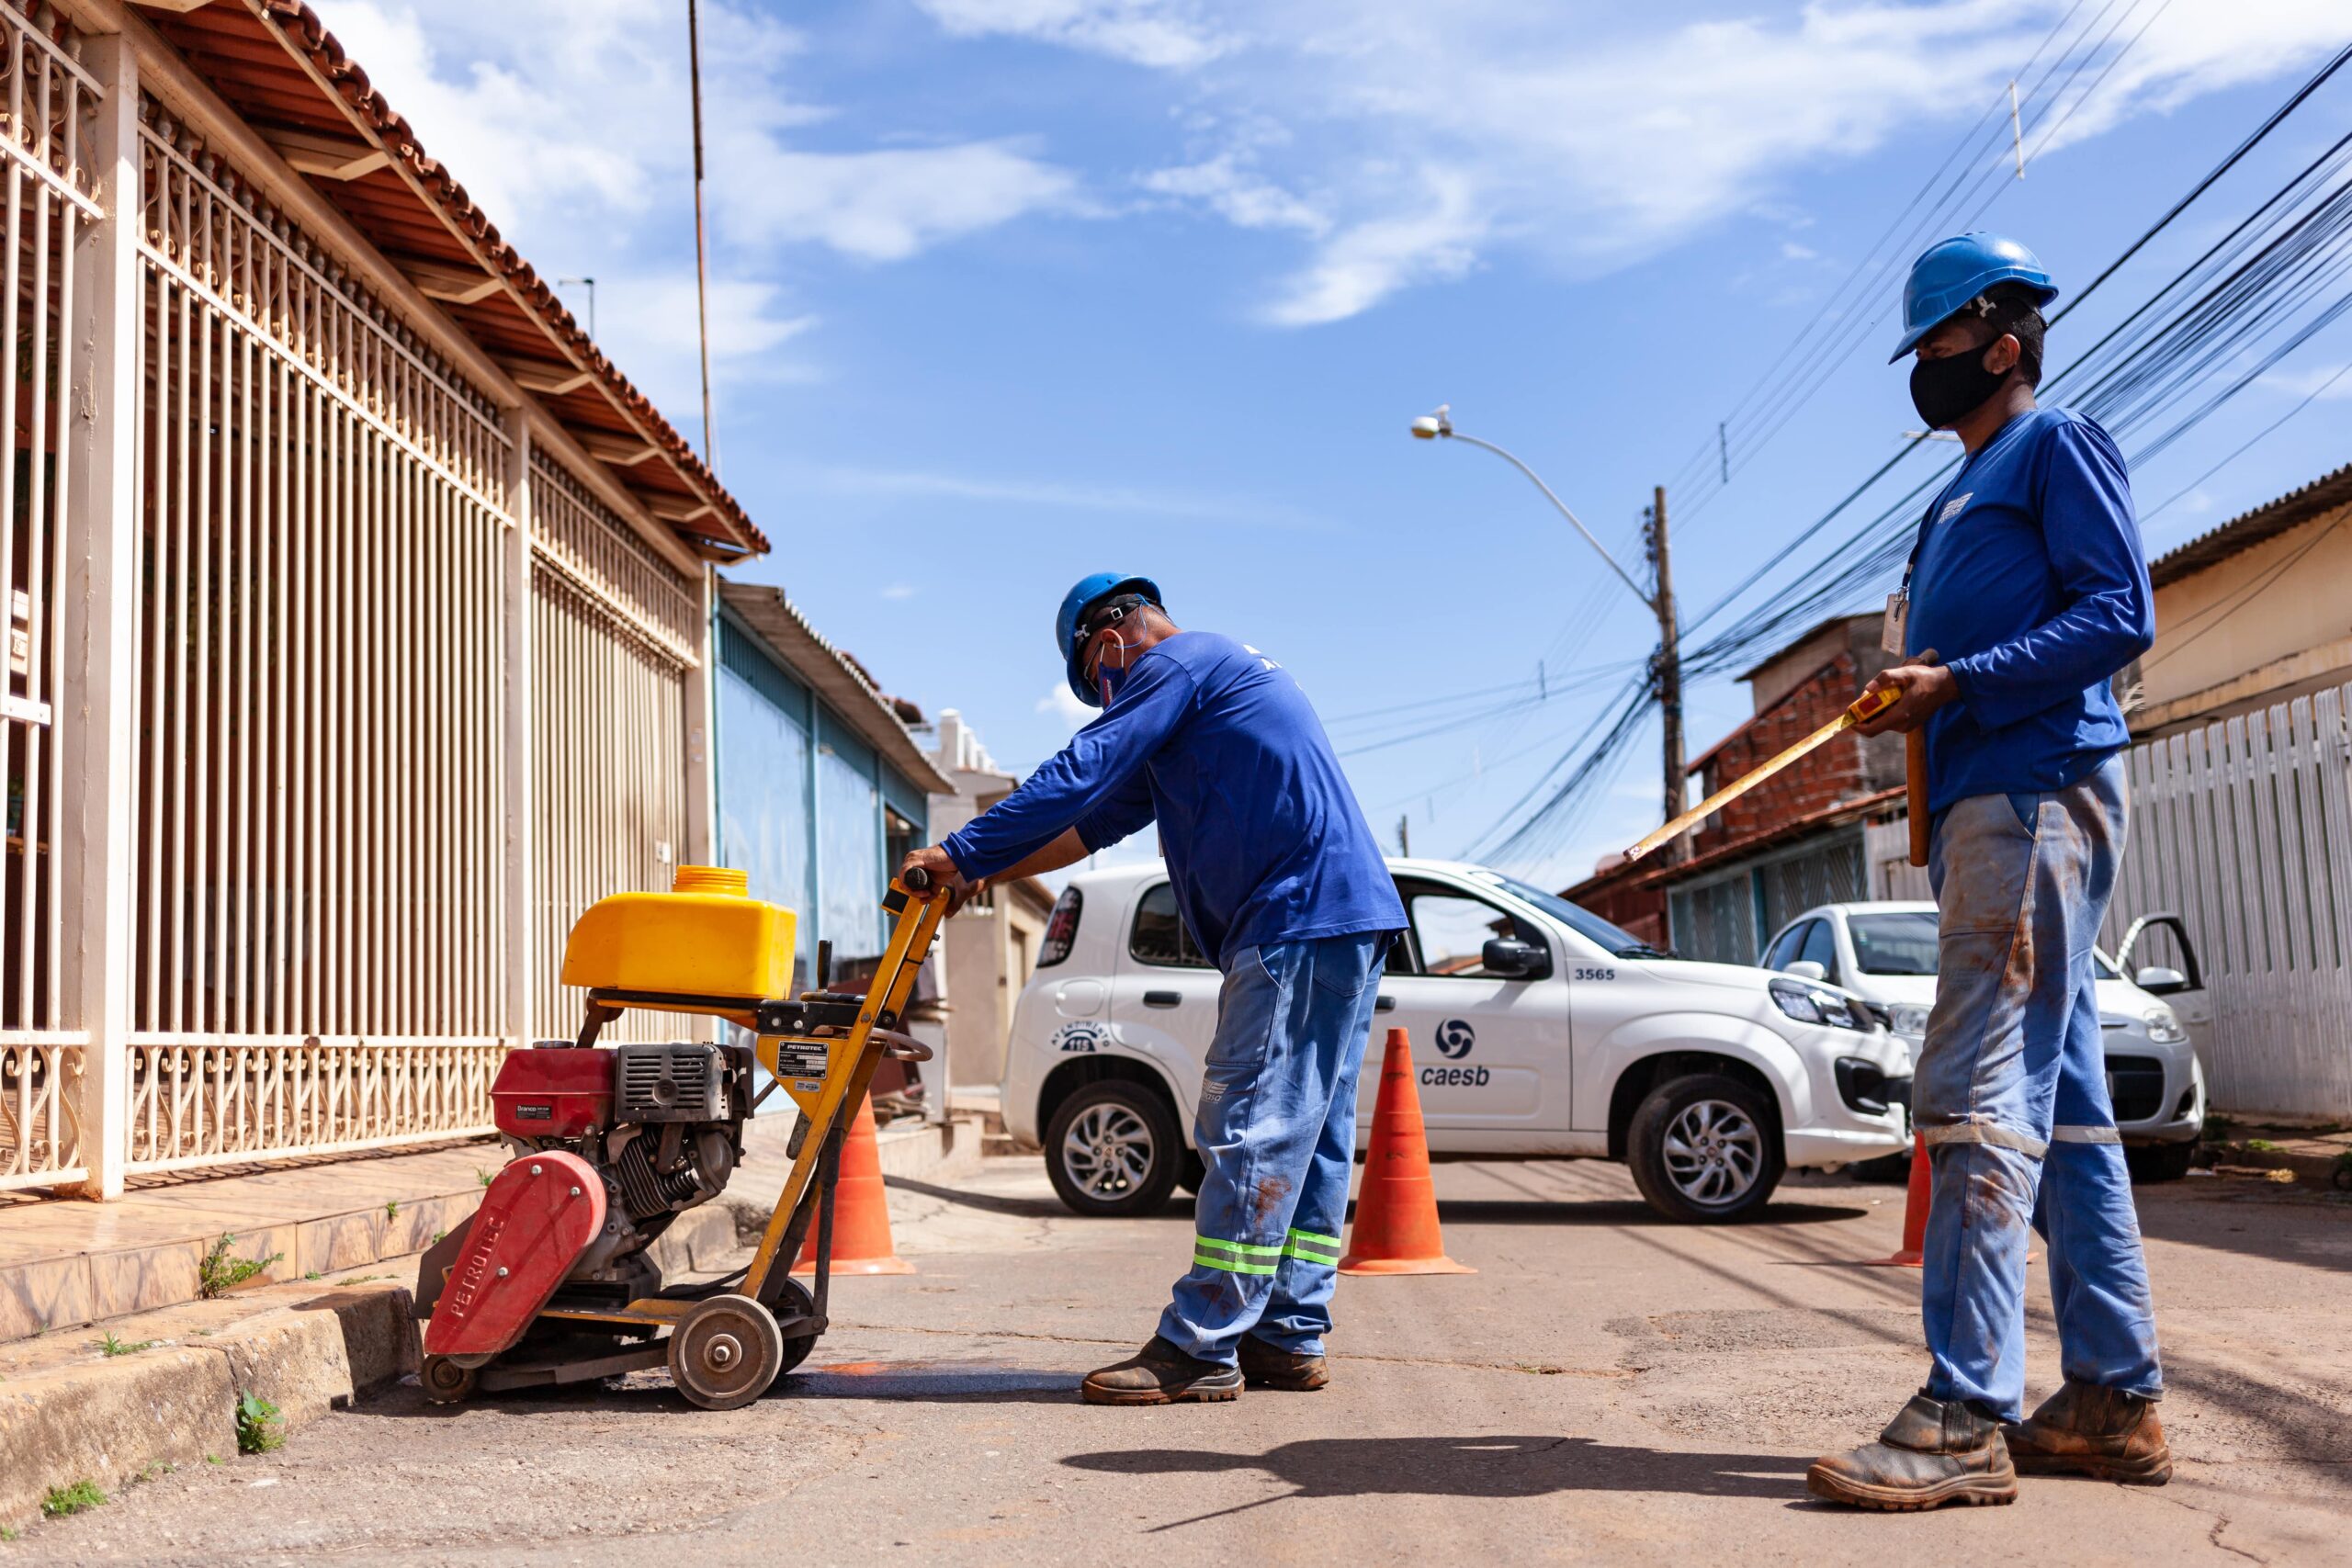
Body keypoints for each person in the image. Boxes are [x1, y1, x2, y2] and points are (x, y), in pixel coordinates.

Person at [1806, 234, 2166, 1511]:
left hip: (2030, 785)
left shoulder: (2054, 443)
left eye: (1942, 347)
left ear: (2002, 344)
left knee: (1972, 1090)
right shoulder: (1957, 495)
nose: (1926, 370)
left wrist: (1960, 681)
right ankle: (2113, 1397)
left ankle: (1964, 1410)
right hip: (1985, 795)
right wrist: (1917, 702)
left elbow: (2120, 611)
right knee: (2061, 1109)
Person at [900, 573, 1405, 1405]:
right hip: (1340, 916)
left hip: (1296, 916)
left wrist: (957, 850)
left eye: (1101, 684)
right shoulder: (1213, 691)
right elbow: (1087, 823)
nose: (1109, 698)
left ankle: (1202, 1343)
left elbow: (1079, 767)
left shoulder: (1181, 661)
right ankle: (1287, 1334)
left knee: (1249, 1122)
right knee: (1307, 1135)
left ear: (1109, 643)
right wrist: (983, 872)